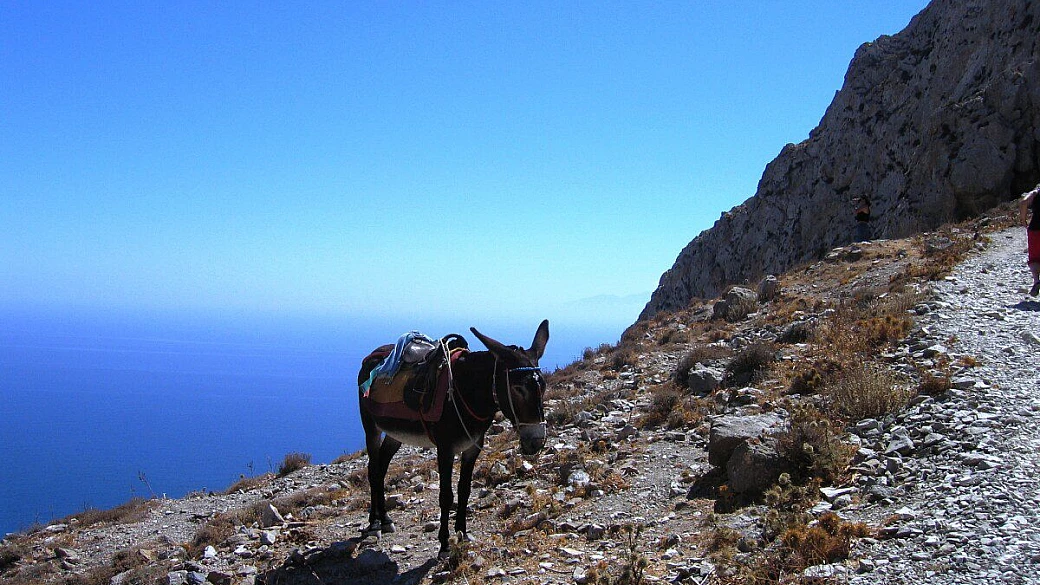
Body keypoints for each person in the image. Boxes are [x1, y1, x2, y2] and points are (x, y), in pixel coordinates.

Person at [1019, 183, 1040, 296]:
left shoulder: (1036, 192)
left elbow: (1023, 202)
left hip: (1035, 228)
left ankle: (1036, 281)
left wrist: (1023, 219)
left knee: (1035, 258)